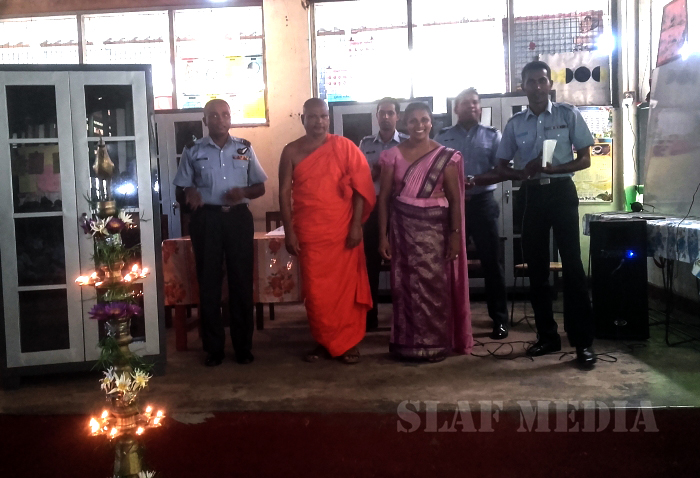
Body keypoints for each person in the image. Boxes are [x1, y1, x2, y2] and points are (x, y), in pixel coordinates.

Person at [495, 60, 596, 368]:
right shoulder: (515, 124)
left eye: (542, 81)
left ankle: (582, 343)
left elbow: (585, 160)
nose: (537, 87)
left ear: (550, 84)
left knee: (573, 267)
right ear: (522, 87)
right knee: (536, 268)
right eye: (531, 82)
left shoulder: (568, 114)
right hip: (532, 196)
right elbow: (501, 165)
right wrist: (520, 173)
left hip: (562, 191)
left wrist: (557, 169)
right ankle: (547, 337)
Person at [279, 98, 376, 364]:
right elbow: (284, 192)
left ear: (329, 119)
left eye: (323, 116)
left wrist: (356, 225)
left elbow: (361, 188)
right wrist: (289, 232)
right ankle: (324, 341)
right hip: (310, 233)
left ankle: (349, 343)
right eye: (312, 117)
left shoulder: (345, 147)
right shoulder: (291, 151)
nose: (318, 122)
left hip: (343, 231)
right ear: (303, 119)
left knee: (345, 292)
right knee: (317, 293)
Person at [173, 99, 267, 367]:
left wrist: (243, 192)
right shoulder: (192, 150)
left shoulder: (244, 148)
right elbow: (181, 189)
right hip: (207, 220)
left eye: (225, 114)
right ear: (205, 120)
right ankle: (213, 348)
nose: (220, 119)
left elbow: (260, 187)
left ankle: (243, 347)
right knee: (209, 283)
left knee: (241, 282)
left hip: (238, 219)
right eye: (213, 115)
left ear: (230, 118)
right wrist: (189, 192)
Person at [377, 102, 473, 362]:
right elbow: (384, 198)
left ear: (432, 123)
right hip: (403, 231)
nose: (419, 125)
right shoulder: (392, 156)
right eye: (413, 121)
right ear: (404, 124)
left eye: (424, 120)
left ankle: (436, 344)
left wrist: (455, 235)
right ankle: (407, 344)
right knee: (405, 288)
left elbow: (455, 199)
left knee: (435, 287)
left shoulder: (446, 156)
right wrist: (382, 236)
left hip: (436, 233)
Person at [435, 88, 509, 340]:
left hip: (482, 204)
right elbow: (434, 170)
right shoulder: (442, 137)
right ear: (456, 109)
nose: (472, 107)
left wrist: (475, 180)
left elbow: (501, 171)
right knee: (448, 261)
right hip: (450, 205)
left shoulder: (492, 135)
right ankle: (446, 321)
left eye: (475, 103)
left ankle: (499, 320)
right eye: (466, 103)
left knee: (491, 263)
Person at [359, 97, 409, 331]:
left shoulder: (408, 143)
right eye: (382, 113)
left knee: (405, 263)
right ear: (377, 116)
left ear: (398, 116)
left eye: (390, 113)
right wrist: (377, 171)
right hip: (373, 207)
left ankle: (405, 317)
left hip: (402, 207)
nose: (386, 117)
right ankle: (370, 317)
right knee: (370, 264)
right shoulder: (366, 143)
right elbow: (360, 178)